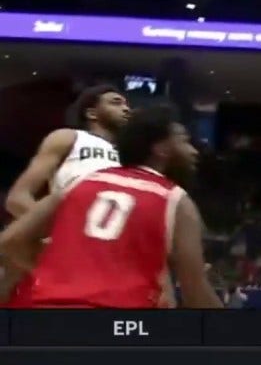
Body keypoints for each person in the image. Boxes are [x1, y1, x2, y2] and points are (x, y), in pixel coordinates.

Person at [0, 106, 222, 308]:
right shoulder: (176, 199)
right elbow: (195, 292)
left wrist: (54, 272)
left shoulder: (79, 183)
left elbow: (10, 242)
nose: (193, 151)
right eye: (184, 141)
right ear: (161, 148)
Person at [1, 84, 130, 306]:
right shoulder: (69, 137)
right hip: (69, 248)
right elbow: (18, 198)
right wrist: (63, 235)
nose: (127, 109)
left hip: (112, 257)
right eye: (116, 102)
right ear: (91, 113)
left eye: (127, 104)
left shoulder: (132, 159)